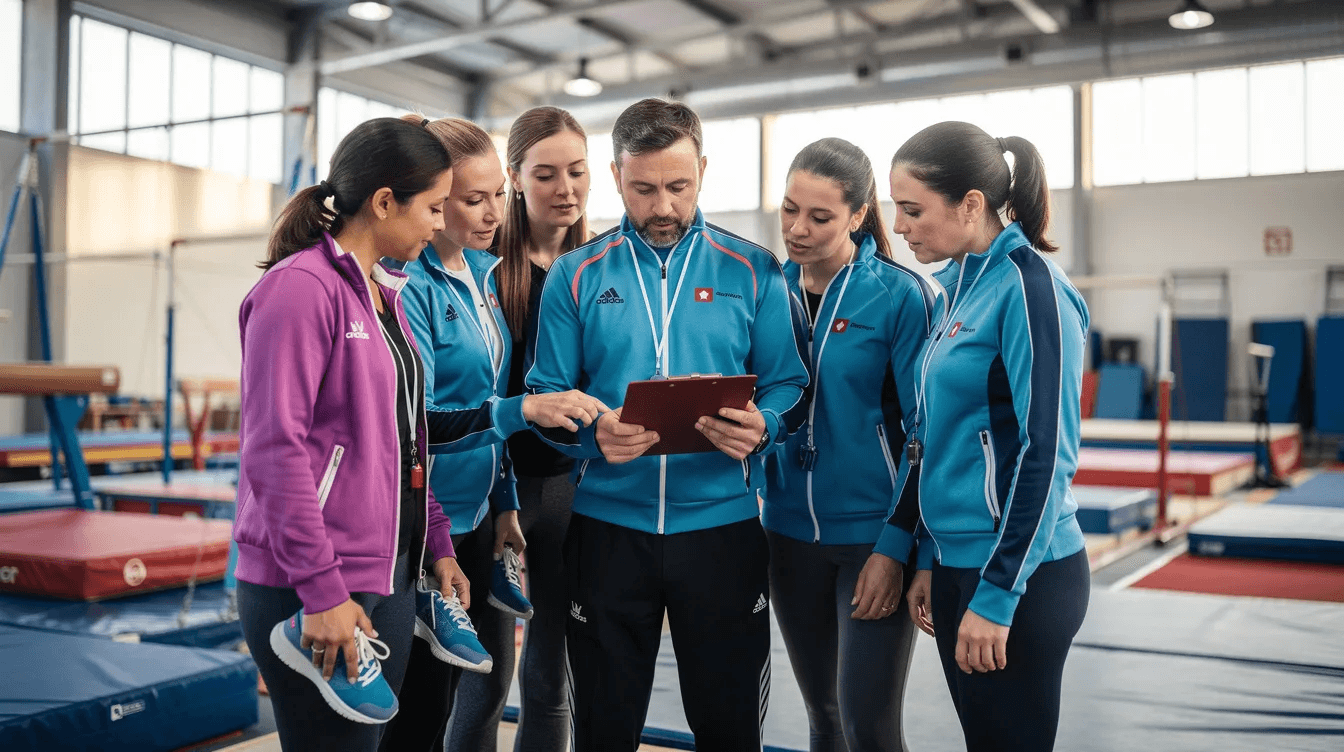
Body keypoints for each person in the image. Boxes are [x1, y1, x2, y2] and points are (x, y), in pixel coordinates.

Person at [525, 98, 810, 751]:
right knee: (604, 728)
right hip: (607, 534)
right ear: (616, 175)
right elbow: (545, 394)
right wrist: (592, 434)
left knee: (730, 726)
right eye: (644, 188)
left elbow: (792, 385)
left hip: (723, 534)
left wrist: (764, 424)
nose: (663, 207)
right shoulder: (576, 274)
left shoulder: (755, 270)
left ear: (703, 171)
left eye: (678, 187)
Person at [233, 116, 468, 752]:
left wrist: (436, 542)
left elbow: (405, 441)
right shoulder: (301, 290)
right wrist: (321, 591)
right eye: (433, 207)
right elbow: (273, 449)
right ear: (385, 201)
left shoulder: (383, 294)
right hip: (309, 583)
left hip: (384, 570)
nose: (439, 225)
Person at [381, 116, 605, 752]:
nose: (492, 213)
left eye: (494, 198)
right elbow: (421, 421)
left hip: (487, 507)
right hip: (430, 516)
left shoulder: (479, 274)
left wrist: (503, 501)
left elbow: (487, 399)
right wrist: (521, 414)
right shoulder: (422, 283)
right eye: (474, 200)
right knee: (437, 699)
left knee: (493, 675)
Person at [877, 121, 1091, 752]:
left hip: (1020, 575)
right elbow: (931, 435)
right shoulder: (954, 293)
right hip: (954, 565)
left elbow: (1045, 453)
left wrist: (998, 594)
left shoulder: (1031, 290)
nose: (898, 226)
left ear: (971, 204)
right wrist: (924, 553)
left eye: (912, 210)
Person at [763, 137, 934, 752]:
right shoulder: (766, 289)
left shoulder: (899, 296)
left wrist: (900, 547)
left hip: (870, 539)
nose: (797, 229)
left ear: (859, 215)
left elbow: (927, 432)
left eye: (820, 216)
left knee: (869, 726)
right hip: (786, 537)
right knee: (824, 719)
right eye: (788, 210)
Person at [494, 105, 594, 752]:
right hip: (494, 481)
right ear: (516, 177)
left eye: (578, 172)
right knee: (485, 663)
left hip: (567, 484)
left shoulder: (598, 267)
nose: (566, 189)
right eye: (547, 174)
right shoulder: (486, 269)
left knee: (551, 661)